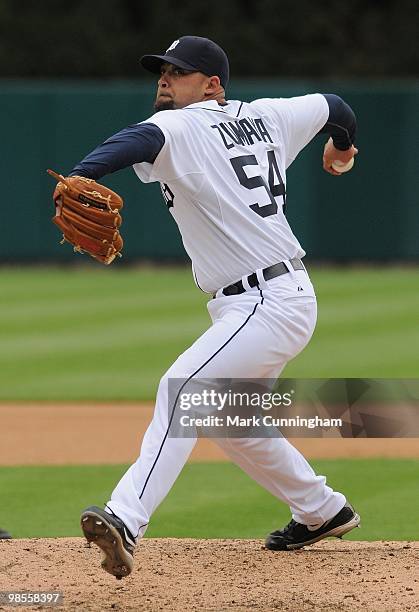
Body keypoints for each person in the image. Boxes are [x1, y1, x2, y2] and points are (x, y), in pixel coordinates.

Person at [75, 36, 360, 579]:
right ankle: (323, 510)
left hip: (265, 302)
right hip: (273, 299)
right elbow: (337, 108)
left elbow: (131, 142)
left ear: (212, 86)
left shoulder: (183, 124)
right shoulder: (269, 115)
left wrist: (82, 173)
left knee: (182, 389)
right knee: (234, 423)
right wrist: (342, 148)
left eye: (178, 71)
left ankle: (126, 518)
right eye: (161, 70)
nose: (164, 78)